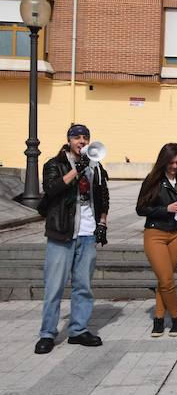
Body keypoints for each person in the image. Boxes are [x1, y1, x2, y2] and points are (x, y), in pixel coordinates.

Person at [34, 124, 109, 355]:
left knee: (83, 286)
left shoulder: (95, 166)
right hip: (61, 232)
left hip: (87, 233)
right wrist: (77, 169)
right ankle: (47, 334)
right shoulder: (54, 164)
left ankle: (78, 330)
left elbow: (103, 196)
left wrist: (102, 223)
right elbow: (52, 189)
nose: (82, 141)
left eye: (86, 137)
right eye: (77, 137)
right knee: (54, 286)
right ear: (69, 140)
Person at [136, 143, 177, 338]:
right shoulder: (153, 180)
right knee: (167, 279)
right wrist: (166, 209)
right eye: (171, 162)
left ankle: (159, 318)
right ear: (163, 162)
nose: (175, 166)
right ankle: (176, 317)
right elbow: (140, 208)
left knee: (164, 279)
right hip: (155, 233)